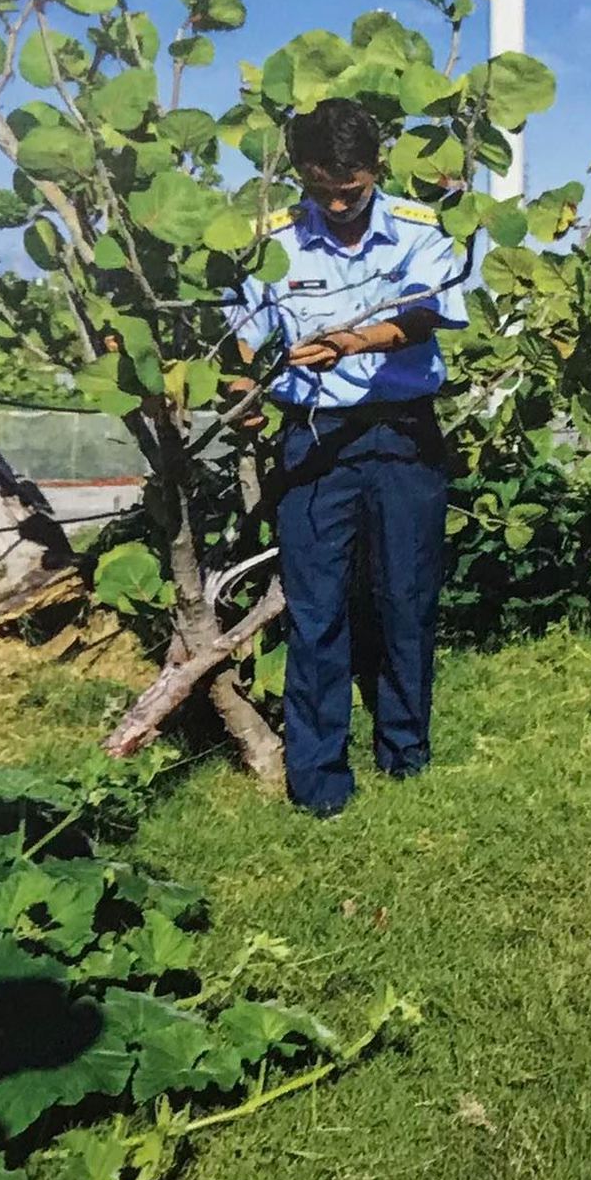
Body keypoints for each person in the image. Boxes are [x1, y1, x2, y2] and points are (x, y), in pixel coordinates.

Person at [228, 98, 468, 816]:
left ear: (378, 169)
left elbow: (425, 316)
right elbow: (246, 334)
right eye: (322, 187)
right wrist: (242, 390)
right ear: (300, 170)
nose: (337, 203)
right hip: (312, 435)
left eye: (353, 188)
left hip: (403, 434)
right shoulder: (272, 240)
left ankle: (406, 753)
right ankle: (319, 779)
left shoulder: (419, 232)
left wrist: (352, 342)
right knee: (318, 606)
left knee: (405, 597)